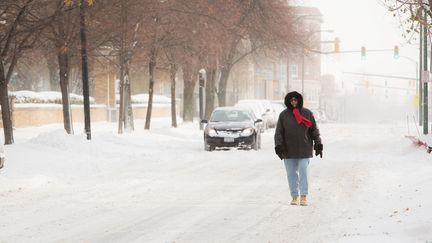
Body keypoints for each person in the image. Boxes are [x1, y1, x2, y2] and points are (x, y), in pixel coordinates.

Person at [274, 91, 323, 206]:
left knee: (303, 172)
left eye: (296, 100)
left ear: (299, 100)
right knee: (291, 174)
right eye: (291, 100)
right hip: (288, 150)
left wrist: (318, 144)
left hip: (304, 149)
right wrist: (278, 146)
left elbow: (314, 131)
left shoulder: (307, 113)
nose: (294, 102)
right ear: (288, 101)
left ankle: (304, 196)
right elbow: (278, 133)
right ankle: (294, 196)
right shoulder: (283, 115)